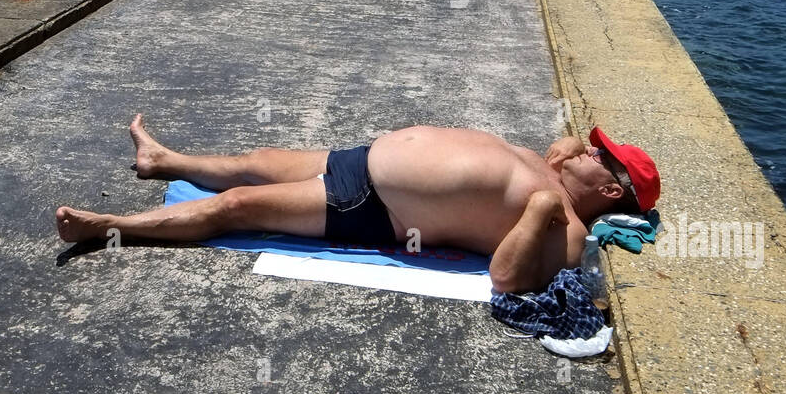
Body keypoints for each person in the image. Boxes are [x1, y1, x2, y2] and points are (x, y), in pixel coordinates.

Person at [55, 116, 659, 294]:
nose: (587, 148)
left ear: (608, 189)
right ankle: (163, 162)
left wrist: (539, 208)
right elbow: (572, 140)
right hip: (364, 158)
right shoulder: (554, 163)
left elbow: (506, 277)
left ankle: (109, 227)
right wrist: (576, 158)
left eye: (601, 155)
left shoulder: (566, 228)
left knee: (237, 204)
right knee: (257, 158)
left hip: (375, 206)